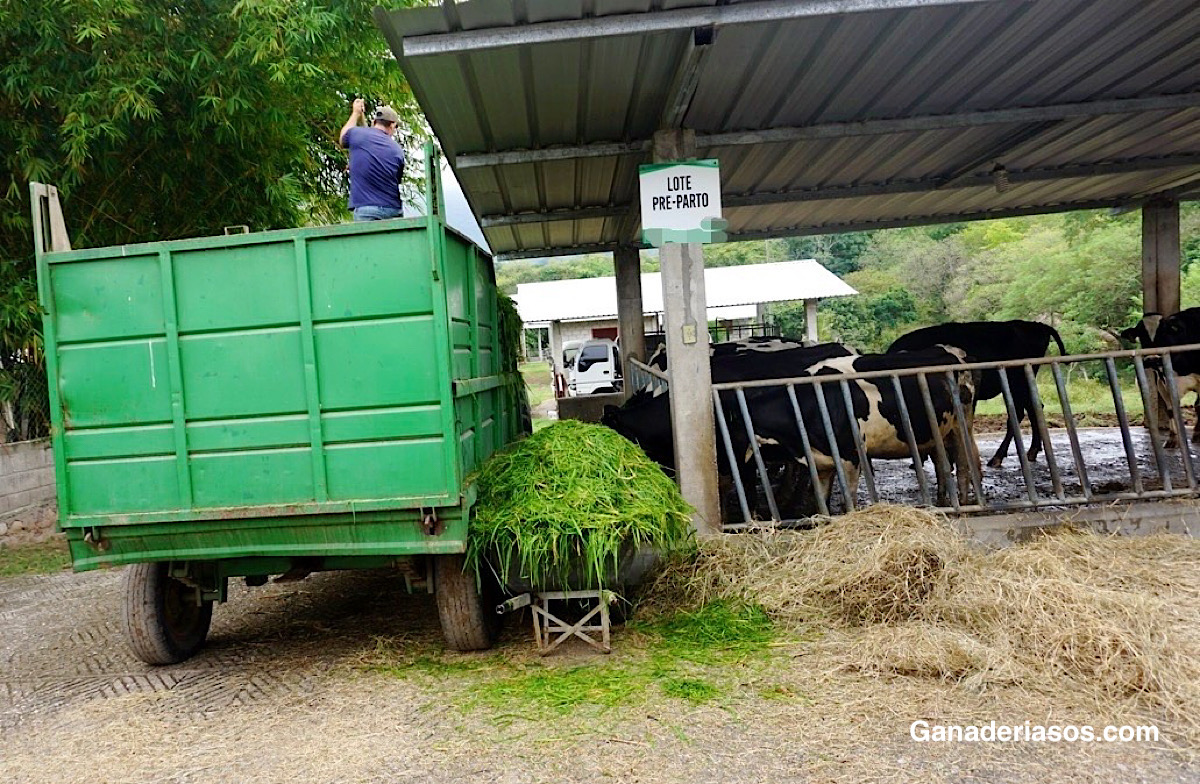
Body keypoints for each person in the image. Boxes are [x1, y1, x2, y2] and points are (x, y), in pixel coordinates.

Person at [339, 98, 405, 221]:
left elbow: (343, 138)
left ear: (374, 122)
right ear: (392, 125)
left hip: (366, 210)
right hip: (393, 210)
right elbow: (395, 178)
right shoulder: (397, 150)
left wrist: (355, 113)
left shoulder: (357, 134)